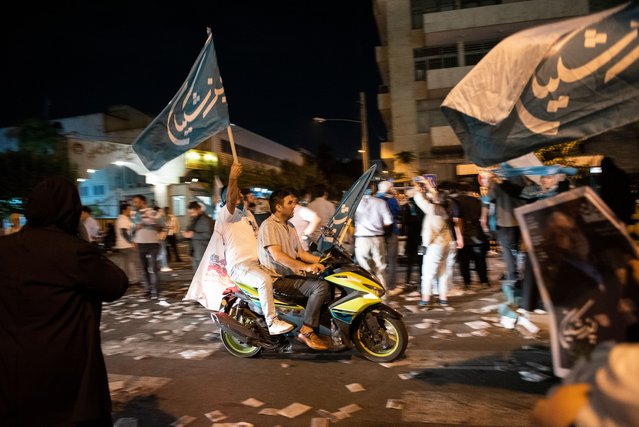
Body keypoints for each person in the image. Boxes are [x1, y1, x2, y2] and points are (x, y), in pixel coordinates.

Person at [0, 176, 128, 426]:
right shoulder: (74, 252)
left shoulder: (4, 248)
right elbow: (116, 284)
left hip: (11, 371)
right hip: (66, 373)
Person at [219, 163, 293, 335]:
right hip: (241, 266)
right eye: (237, 193)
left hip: (256, 263)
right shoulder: (226, 214)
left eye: (241, 193)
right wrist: (233, 177)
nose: (241, 195)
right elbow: (230, 199)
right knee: (263, 280)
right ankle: (272, 322)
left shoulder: (248, 214)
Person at [258, 189, 331, 350]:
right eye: (290, 203)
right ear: (278, 207)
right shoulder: (269, 226)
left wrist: (325, 261)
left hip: (290, 276)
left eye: (294, 202)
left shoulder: (289, 226)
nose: (294, 206)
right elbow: (277, 256)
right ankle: (306, 331)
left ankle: (322, 329)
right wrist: (306, 267)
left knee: (328, 281)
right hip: (278, 279)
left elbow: (301, 253)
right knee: (320, 287)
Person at [414, 177, 462, 308]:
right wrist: (429, 187)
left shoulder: (433, 210)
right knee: (443, 272)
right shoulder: (445, 208)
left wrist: (418, 188)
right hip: (446, 244)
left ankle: (425, 299)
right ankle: (443, 298)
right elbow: (436, 197)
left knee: (427, 274)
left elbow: (419, 200)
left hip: (434, 246)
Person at [353, 182, 394, 290]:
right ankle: (382, 296)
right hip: (377, 238)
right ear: (374, 190)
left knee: (364, 269)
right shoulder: (381, 202)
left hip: (361, 239)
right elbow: (388, 221)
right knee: (380, 268)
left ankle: (367, 294)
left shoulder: (355, 203)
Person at [454, 182, 490, 289]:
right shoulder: (478, 201)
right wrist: (486, 232)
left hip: (465, 235)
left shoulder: (457, 202)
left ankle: (467, 282)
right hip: (478, 234)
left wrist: (459, 237)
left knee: (464, 262)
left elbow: (458, 220)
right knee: (480, 260)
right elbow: (483, 219)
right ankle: (484, 281)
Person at [132, 194, 164, 300]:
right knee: (144, 268)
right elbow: (132, 229)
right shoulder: (134, 215)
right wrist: (134, 233)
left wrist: (151, 224)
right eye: (134, 202)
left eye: (136, 202)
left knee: (154, 268)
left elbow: (162, 226)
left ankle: (156, 290)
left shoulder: (152, 212)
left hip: (153, 244)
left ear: (143, 202)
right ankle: (148, 289)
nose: (134, 204)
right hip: (140, 244)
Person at [377, 181, 403, 296]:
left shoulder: (375, 200)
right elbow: (398, 213)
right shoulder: (392, 200)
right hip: (392, 232)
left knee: (380, 260)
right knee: (392, 260)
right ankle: (392, 286)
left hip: (378, 234)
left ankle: (380, 285)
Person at [400, 187, 425, 289]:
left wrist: (402, 231)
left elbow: (404, 221)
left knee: (410, 260)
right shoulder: (422, 205)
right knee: (421, 259)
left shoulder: (406, 206)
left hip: (411, 238)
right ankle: (421, 281)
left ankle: (408, 281)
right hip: (421, 238)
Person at [599, 156, 634, 224]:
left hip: (613, 206)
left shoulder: (605, 177)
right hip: (624, 204)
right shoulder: (620, 173)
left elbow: (606, 192)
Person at [183, 201, 214, 270]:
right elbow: (190, 230)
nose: (191, 215)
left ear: (199, 210)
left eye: (192, 212)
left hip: (202, 252)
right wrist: (186, 232)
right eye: (189, 213)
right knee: (196, 276)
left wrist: (193, 235)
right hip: (194, 252)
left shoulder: (207, 220)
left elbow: (209, 235)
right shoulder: (193, 219)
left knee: (203, 274)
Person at [114, 202, 140, 285]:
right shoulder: (122, 219)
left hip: (123, 245)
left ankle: (126, 280)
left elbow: (130, 230)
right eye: (129, 209)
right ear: (124, 210)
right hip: (125, 245)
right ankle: (133, 280)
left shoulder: (123, 218)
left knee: (126, 263)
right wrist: (131, 242)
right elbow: (124, 232)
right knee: (130, 263)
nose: (130, 211)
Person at [154, 206, 172, 272]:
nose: (162, 212)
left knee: (161, 252)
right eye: (160, 211)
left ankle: (160, 265)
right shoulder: (159, 218)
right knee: (163, 252)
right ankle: (163, 266)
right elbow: (165, 226)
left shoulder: (155, 218)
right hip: (161, 237)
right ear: (157, 212)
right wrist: (167, 226)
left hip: (157, 237)